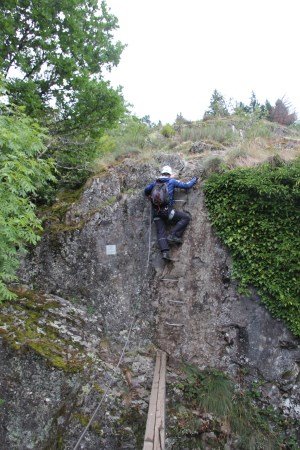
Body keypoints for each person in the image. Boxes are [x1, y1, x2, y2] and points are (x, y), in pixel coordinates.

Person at [144, 165, 198, 261]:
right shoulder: (171, 181)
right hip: (167, 212)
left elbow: (146, 190)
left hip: (156, 213)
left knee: (160, 232)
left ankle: (165, 253)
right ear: (169, 174)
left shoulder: (154, 183)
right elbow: (187, 186)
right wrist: (194, 179)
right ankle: (173, 235)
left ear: (161, 173)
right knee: (186, 218)